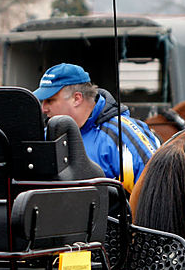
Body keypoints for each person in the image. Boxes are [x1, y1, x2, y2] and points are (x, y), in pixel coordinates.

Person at [33, 62, 160, 191]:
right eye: (42, 102)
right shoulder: (46, 136)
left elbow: (157, 189)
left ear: (77, 98)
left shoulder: (122, 135)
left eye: (50, 100)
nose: (43, 109)